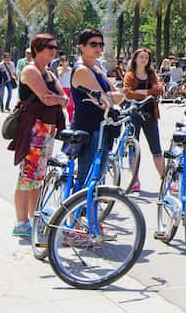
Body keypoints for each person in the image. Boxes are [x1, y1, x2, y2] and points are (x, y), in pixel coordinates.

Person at [9, 34, 67, 238]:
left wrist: (58, 99)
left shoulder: (49, 73)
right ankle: (21, 222)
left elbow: (63, 99)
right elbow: (46, 98)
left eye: (54, 47)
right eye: (48, 47)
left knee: (38, 178)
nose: (53, 51)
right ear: (37, 49)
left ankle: (34, 218)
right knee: (27, 176)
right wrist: (58, 99)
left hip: (47, 128)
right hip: (34, 128)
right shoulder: (30, 70)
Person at [70, 29, 124, 188]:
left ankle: (88, 210)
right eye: (93, 44)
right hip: (89, 128)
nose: (98, 48)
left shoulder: (96, 68)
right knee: (86, 176)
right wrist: (113, 96)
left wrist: (113, 96)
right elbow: (105, 100)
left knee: (97, 177)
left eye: (101, 44)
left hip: (102, 126)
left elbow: (116, 95)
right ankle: (75, 211)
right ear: (81, 46)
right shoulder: (82, 70)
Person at [123, 47, 165, 194]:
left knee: (157, 149)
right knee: (133, 148)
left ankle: (164, 179)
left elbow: (159, 89)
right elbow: (127, 93)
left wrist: (142, 92)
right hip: (133, 115)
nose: (143, 60)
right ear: (135, 59)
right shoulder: (129, 75)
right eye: (141, 57)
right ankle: (135, 180)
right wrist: (148, 93)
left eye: (146, 58)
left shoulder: (151, 74)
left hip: (150, 114)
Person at [57, 54, 75, 121]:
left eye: (65, 60)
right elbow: (60, 75)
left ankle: (70, 121)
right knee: (59, 106)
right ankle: (59, 121)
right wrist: (64, 68)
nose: (64, 62)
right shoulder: (58, 69)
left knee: (70, 106)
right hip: (61, 90)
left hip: (69, 89)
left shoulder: (71, 70)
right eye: (62, 61)